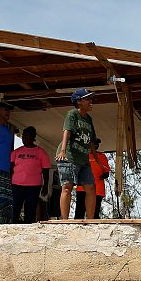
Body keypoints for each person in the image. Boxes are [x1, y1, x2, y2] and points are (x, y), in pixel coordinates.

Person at [56, 88, 97, 219]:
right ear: (79, 101)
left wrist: (97, 160)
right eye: (87, 99)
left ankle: (91, 220)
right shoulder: (72, 114)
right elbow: (66, 131)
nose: (91, 101)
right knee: (67, 187)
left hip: (83, 159)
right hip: (69, 156)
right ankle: (64, 220)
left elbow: (90, 141)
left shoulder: (89, 119)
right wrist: (63, 151)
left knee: (90, 188)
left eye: (91, 99)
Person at [11, 126, 51, 223]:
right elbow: (10, 167)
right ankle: (13, 226)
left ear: (33, 138)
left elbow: (46, 170)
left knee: (30, 209)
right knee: (15, 207)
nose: (25, 139)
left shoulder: (41, 152)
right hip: (17, 185)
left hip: (33, 186)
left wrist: (45, 186)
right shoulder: (16, 152)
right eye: (23, 137)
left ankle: (28, 228)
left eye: (27, 137)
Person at [74, 138, 110, 219]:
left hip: (97, 189)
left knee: (95, 213)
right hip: (82, 188)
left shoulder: (102, 156)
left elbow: (106, 172)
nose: (96, 145)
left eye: (97, 144)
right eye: (93, 143)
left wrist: (104, 174)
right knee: (80, 211)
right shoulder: (82, 155)